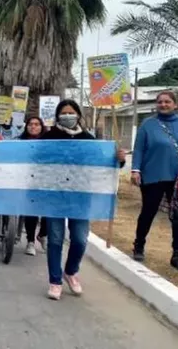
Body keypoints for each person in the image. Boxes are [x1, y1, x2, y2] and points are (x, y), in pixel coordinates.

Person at [42, 99, 126, 300]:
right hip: (55, 196)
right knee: (55, 239)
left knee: (79, 239)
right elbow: (36, 161)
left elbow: (102, 164)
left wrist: (119, 160)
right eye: (63, 113)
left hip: (81, 197)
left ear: (78, 115)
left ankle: (70, 271)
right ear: (57, 116)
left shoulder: (88, 139)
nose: (67, 116)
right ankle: (55, 281)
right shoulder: (49, 137)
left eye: (71, 112)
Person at [130, 90, 178, 270]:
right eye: (160, 102)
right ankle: (139, 245)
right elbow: (139, 149)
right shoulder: (148, 125)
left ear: (175, 104)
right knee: (148, 212)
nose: (163, 105)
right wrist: (135, 170)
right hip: (153, 176)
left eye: (167, 102)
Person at [19, 115, 48, 256]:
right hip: (27, 181)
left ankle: (42, 235)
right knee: (31, 212)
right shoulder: (20, 142)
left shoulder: (48, 142)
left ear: (42, 126)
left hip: (45, 180)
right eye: (30, 124)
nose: (33, 126)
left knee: (48, 212)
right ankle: (30, 242)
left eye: (37, 124)